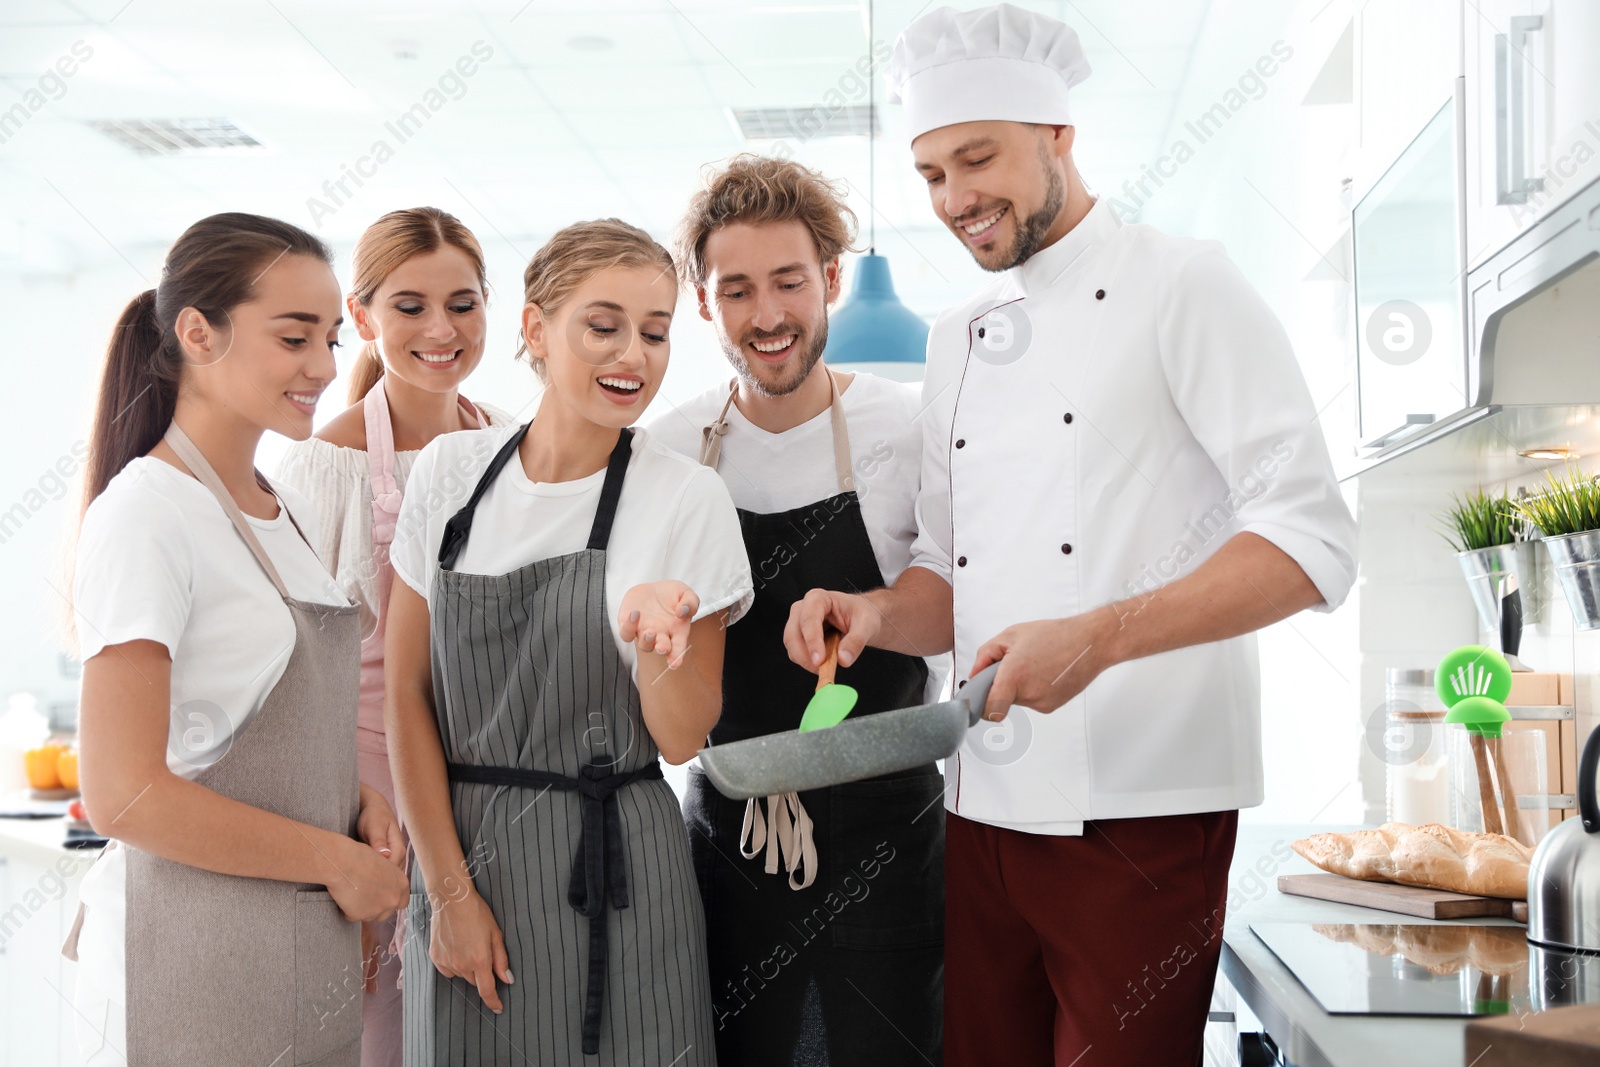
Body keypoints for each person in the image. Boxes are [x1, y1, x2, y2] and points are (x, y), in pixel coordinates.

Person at [785, 6, 1359, 1065]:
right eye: (928, 174)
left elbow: (1309, 540)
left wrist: (1094, 636)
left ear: (1057, 137)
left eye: (976, 157)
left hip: (1142, 809)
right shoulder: (957, 338)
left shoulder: (1185, 282)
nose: (955, 198)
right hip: (982, 803)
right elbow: (949, 578)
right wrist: (872, 612)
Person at [385, 218, 752, 1065]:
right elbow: (406, 694)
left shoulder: (684, 497)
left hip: (619, 878)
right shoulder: (449, 473)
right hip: (463, 859)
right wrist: (447, 893)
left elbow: (680, 735)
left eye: (657, 332)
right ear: (535, 329)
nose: (634, 354)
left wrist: (662, 642)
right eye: (604, 325)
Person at [64, 212, 409, 1066]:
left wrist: (354, 801)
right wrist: (332, 856)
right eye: (294, 337)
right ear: (196, 332)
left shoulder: (271, 505)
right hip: (179, 966)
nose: (325, 368)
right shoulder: (148, 515)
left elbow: (250, 718)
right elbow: (123, 795)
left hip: (287, 955)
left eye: (330, 338)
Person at [648, 154, 945, 1065]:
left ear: (830, 280)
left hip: (888, 832)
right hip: (731, 834)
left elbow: (947, 608)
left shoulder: (909, 424)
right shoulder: (670, 449)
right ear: (705, 303)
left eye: (788, 281)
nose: (767, 315)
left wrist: (871, 612)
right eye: (737, 289)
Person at [276, 206, 513, 1067]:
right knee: (383, 1020)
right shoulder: (327, 460)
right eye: (410, 306)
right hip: (370, 786)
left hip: (492, 775)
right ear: (364, 314)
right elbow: (296, 664)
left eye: (463, 302)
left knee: (488, 1012)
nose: (441, 329)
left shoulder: (511, 446)